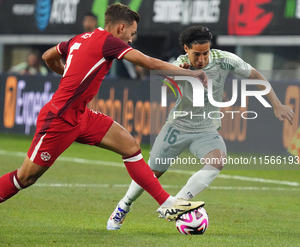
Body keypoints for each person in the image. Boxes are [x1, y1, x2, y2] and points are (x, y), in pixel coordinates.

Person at [0, 4, 208, 234]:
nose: (132, 39)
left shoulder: (80, 38)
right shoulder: (108, 42)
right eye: (131, 33)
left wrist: (68, 72)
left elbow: (49, 56)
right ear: (120, 28)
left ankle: (167, 203)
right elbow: (147, 61)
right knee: (26, 177)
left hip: (82, 115)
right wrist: (191, 74)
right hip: (59, 119)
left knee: (131, 147)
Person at [107, 26, 294, 230]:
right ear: (186, 48)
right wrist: (182, 74)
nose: (202, 59)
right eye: (197, 54)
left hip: (206, 129)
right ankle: (123, 206)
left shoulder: (224, 59)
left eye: (205, 53)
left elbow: (255, 75)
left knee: (218, 160)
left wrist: (276, 104)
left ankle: (176, 203)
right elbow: (163, 91)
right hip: (176, 127)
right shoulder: (178, 64)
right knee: (151, 173)